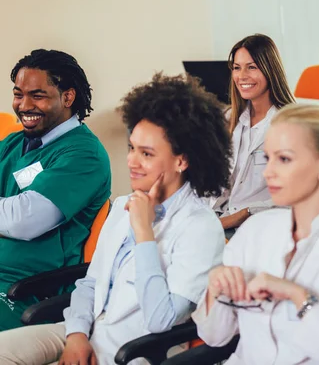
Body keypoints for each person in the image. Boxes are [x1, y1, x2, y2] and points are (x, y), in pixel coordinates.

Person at [0, 73, 231, 364]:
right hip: (82, 331)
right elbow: (89, 283)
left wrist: (144, 233)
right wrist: (76, 337)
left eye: (146, 154)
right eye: (132, 148)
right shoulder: (125, 204)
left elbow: (161, 319)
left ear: (182, 160)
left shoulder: (200, 227)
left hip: (130, 351)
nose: (132, 161)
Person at [192, 104, 319, 364]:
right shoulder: (255, 231)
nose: (268, 172)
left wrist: (298, 297)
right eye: (267, 158)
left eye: (283, 159)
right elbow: (214, 336)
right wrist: (216, 288)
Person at [0, 49, 111, 331]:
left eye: (37, 96)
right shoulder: (13, 144)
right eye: (18, 94)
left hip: (24, 290)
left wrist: (12, 212)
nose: (24, 105)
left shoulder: (84, 154)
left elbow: (24, 220)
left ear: (67, 97)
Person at [213, 34, 295, 235]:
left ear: (269, 70)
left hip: (259, 225)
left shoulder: (289, 123)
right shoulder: (231, 119)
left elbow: (295, 191)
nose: (242, 76)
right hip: (220, 217)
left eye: (252, 67)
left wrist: (244, 214)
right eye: (236, 68)